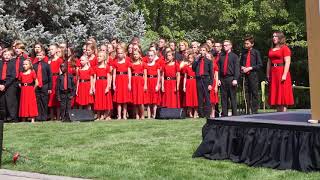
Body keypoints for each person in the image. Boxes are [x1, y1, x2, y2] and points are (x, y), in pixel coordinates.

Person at [267, 31, 294, 112]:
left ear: (280, 38)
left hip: (281, 72)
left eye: (276, 36)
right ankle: (278, 117)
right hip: (273, 73)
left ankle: (284, 117)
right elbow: (269, 62)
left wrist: (284, 75)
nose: (274, 38)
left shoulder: (285, 48)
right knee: (276, 97)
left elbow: (288, 62)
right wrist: (268, 74)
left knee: (283, 96)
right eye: (273, 36)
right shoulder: (271, 49)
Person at [240, 35, 263, 114]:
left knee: (254, 93)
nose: (246, 45)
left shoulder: (256, 52)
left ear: (252, 44)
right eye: (245, 44)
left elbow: (260, 65)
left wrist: (250, 68)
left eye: (247, 43)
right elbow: (240, 63)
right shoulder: (243, 53)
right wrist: (242, 67)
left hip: (253, 75)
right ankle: (247, 110)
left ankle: (254, 111)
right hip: (245, 76)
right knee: (246, 93)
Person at [218, 40, 240, 117]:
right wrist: (218, 79)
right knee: (224, 98)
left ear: (231, 46)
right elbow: (219, 69)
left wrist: (235, 79)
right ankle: (224, 114)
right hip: (223, 79)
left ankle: (235, 114)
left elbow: (237, 69)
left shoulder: (234, 56)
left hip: (231, 78)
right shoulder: (221, 56)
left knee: (232, 97)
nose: (225, 46)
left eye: (226, 45)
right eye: (224, 45)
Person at [192, 44, 213, 118]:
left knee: (207, 97)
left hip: (206, 79)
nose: (202, 52)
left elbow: (211, 74)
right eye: (201, 50)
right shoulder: (198, 61)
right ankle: (201, 114)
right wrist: (196, 60)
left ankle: (207, 113)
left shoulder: (209, 61)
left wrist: (211, 84)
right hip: (199, 79)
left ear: (206, 52)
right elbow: (193, 68)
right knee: (200, 97)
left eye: (203, 50)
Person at [113, 48, 132, 119]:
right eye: (118, 53)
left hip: (125, 81)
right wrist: (113, 84)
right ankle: (119, 115)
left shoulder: (127, 62)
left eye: (121, 53)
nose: (120, 55)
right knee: (118, 100)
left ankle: (124, 115)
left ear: (124, 54)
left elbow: (129, 73)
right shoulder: (115, 62)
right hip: (118, 81)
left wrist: (129, 83)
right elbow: (114, 74)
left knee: (125, 100)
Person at [93, 51, 113, 120]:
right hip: (98, 84)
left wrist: (108, 86)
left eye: (100, 56)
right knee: (98, 100)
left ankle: (106, 115)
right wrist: (93, 87)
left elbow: (109, 77)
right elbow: (94, 78)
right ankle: (98, 116)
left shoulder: (107, 67)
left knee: (105, 99)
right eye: (98, 56)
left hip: (105, 83)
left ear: (104, 58)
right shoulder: (95, 67)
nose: (98, 57)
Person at [33, 50, 52, 121]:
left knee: (44, 101)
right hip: (37, 85)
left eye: (40, 55)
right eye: (37, 55)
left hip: (45, 85)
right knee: (37, 101)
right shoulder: (34, 65)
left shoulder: (46, 65)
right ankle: (38, 116)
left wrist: (49, 87)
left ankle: (44, 116)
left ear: (44, 56)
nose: (39, 57)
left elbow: (50, 76)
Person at [0, 49, 18, 121]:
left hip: (10, 84)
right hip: (1, 84)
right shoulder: (0, 63)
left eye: (8, 55)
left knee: (10, 102)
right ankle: (3, 118)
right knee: (2, 102)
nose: (6, 56)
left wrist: (5, 85)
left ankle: (12, 118)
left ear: (11, 56)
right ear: (2, 55)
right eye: (5, 54)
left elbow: (13, 76)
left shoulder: (13, 64)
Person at [48, 45, 63, 120]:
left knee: (57, 96)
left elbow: (61, 72)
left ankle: (58, 116)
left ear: (56, 50)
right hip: (50, 79)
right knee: (50, 97)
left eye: (52, 49)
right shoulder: (49, 60)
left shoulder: (59, 60)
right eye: (49, 49)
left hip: (56, 79)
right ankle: (51, 116)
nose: (50, 51)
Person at [130, 50, 147, 119]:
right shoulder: (131, 64)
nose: (135, 56)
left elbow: (145, 75)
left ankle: (142, 115)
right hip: (134, 81)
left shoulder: (143, 64)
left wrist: (145, 84)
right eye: (134, 54)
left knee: (140, 100)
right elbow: (130, 74)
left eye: (136, 54)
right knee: (135, 100)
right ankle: (137, 115)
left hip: (140, 81)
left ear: (140, 55)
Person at [144, 50, 161, 119]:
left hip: (154, 81)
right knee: (148, 101)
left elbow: (159, 76)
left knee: (154, 101)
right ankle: (148, 115)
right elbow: (144, 75)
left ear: (154, 56)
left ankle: (154, 114)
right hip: (148, 81)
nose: (150, 57)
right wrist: (145, 84)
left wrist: (157, 85)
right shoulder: (145, 64)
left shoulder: (157, 64)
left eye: (151, 55)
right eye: (149, 56)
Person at [183, 53, 198, 118]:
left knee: (195, 97)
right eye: (189, 58)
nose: (190, 59)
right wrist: (184, 86)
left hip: (195, 82)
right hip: (189, 82)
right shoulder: (186, 67)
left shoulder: (197, 66)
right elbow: (185, 77)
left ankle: (196, 112)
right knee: (189, 97)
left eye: (191, 58)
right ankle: (190, 112)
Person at [205, 53, 219, 118]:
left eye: (208, 56)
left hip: (212, 82)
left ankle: (213, 113)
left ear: (211, 57)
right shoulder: (204, 65)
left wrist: (216, 86)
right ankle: (207, 112)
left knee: (212, 100)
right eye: (206, 56)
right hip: (206, 82)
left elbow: (216, 76)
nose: (207, 57)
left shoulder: (214, 64)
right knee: (207, 99)